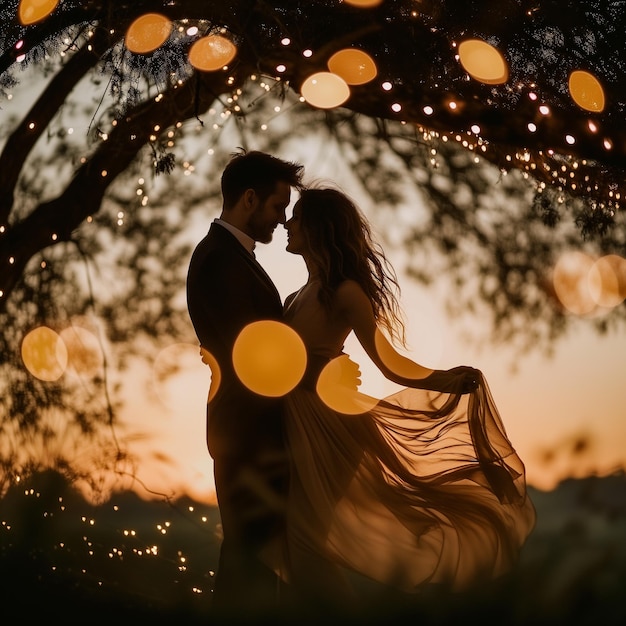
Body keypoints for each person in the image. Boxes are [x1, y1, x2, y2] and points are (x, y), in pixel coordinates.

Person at [262, 185, 536, 613]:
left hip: (331, 426)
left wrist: (443, 379)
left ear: (318, 228)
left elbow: (389, 362)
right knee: (288, 540)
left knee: (304, 539)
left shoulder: (345, 292)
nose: (287, 223)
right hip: (296, 422)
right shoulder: (295, 295)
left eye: (296, 217)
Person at [186, 150, 304, 615]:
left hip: (251, 431)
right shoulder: (219, 259)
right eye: (278, 207)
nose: (282, 219)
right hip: (247, 433)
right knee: (247, 559)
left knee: (252, 558)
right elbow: (252, 352)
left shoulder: (232, 255)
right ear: (249, 199)